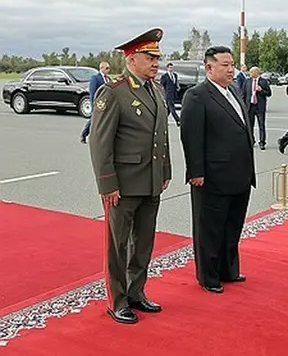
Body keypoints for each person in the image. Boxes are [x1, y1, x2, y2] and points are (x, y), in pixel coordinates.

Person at [89, 28, 171, 324]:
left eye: (157, 58)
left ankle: (137, 293)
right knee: (118, 245)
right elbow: (100, 143)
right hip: (122, 185)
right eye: (150, 57)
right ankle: (118, 300)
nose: (155, 63)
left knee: (144, 241)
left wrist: (166, 170)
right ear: (132, 59)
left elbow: (160, 136)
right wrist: (107, 184)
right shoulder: (113, 92)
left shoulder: (156, 90)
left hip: (150, 182)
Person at [180, 46, 256, 293]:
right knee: (210, 229)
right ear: (210, 68)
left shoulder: (232, 91)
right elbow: (191, 137)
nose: (231, 69)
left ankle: (228, 270)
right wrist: (196, 172)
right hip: (212, 176)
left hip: (240, 174)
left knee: (232, 226)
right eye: (225, 64)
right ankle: (208, 276)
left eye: (232, 63)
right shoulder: (198, 95)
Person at [241, 66, 272, 150]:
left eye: (252, 72)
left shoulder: (263, 81)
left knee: (261, 124)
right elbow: (243, 94)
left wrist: (261, 90)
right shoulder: (247, 81)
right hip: (250, 106)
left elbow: (269, 93)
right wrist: (243, 105)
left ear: (256, 72)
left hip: (259, 106)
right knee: (250, 125)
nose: (250, 74)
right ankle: (251, 141)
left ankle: (262, 142)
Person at [80, 61, 111, 144]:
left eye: (109, 68)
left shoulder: (108, 79)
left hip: (107, 102)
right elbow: (92, 92)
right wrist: (93, 103)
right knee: (94, 119)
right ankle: (84, 134)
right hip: (98, 102)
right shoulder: (96, 78)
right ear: (101, 68)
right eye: (107, 68)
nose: (108, 70)